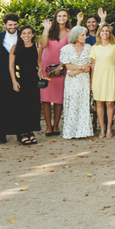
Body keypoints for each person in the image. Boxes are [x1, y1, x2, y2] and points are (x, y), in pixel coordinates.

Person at [0, 26, 43, 146]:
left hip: (33, 80)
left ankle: (30, 131)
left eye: (29, 33)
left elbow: (39, 61)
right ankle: (22, 133)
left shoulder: (37, 46)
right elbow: (11, 65)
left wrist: (40, 71)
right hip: (20, 80)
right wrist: (14, 81)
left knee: (32, 106)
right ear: (20, 35)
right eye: (24, 33)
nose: (26, 35)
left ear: (33, 35)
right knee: (20, 107)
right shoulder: (15, 48)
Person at [0, 14, 21, 144]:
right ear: (5, 25)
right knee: (2, 104)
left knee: (19, 104)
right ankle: (2, 134)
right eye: (10, 24)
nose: (13, 27)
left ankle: (20, 132)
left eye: (15, 24)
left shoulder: (23, 35)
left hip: (20, 73)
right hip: (3, 74)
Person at [39, 8, 71, 136]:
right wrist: (46, 29)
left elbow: (70, 51)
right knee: (45, 98)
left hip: (61, 68)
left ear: (67, 18)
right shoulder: (49, 31)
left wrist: (61, 67)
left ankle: (56, 125)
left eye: (64, 16)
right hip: (46, 68)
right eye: (59, 16)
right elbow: (42, 45)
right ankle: (48, 126)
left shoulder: (69, 33)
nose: (62, 18)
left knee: (59, 98)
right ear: (55, 18)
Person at [58, 26, 93, 140]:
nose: (85, 37)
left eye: (85, 35)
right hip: (71, 81)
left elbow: (89, 66)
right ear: (75, 36)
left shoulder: (89, 48)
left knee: (83, 104)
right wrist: (81, 68)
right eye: (82, 35)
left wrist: (76, 71)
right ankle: (70, 131)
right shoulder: (66, 49)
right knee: (72, 104)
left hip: (84, 79)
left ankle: (83, 131)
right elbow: (68, 66)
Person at [90, 24, 115, 139]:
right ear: (99, 33)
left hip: (110, 76)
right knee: (99, 103)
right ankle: (102, 128)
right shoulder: (94, 47)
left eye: (107, 31)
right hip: (98, 77)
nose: (105, 33)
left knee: (110, 103)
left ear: (110, 33)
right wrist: (91, 82)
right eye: (103, 31)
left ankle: (109, 128)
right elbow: (93, 66)